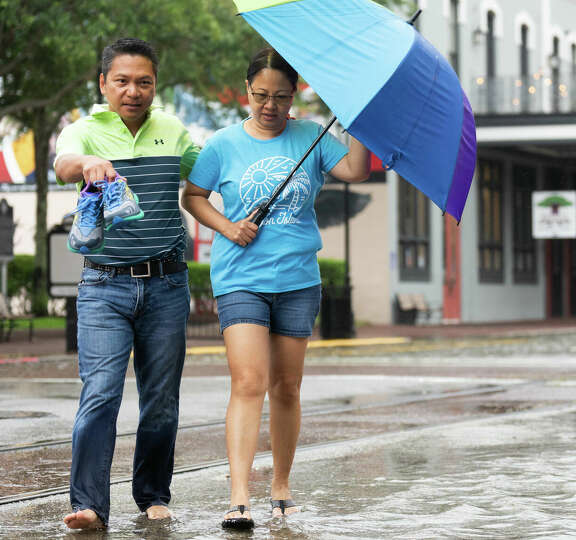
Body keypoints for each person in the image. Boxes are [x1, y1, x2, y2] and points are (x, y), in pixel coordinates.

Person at [182, 47, 370, 529]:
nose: (270, 105)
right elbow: (194, 196)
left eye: (281, 97)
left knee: (287, 387)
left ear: (295, 95)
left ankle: (281, 486)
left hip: (298, 280)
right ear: (247, 91)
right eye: (261, 95)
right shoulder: (222, 144)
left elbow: (356, 170)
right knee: (249, 382)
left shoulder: (313, 136)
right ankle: (238, 496)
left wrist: (357, 118)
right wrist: (227, 228)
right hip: (240, 277)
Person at [54, 37, 200, 530]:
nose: (133, 91)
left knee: (161, 399)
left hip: (166, 286)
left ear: (155, 85)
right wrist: (88, 165)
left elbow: (211, 171)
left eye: (144, 82)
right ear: (103, 84)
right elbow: (62, 164)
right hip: (103, 286)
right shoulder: (85, 131)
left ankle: (153, 494)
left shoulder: (173, 130)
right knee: (101, 393)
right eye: (122, 81)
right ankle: (89, 504)